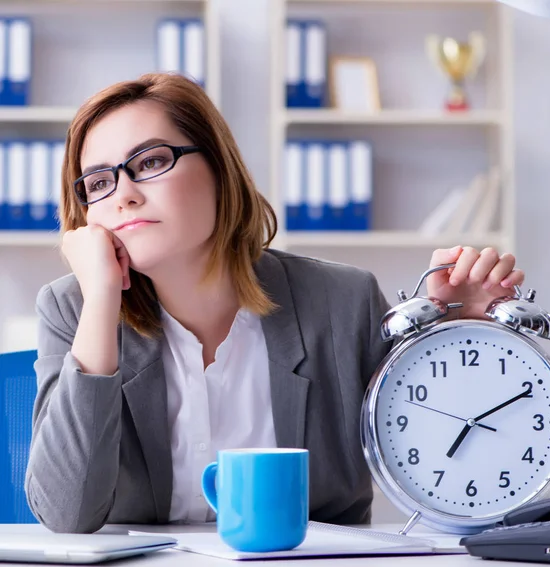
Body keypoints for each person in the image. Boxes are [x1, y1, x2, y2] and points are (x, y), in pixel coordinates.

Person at [25, 72, 524, 534]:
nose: (123, 195)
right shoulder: (75, 309)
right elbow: (67, 514)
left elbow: (452, 482)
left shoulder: (342, 302)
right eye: (98, 183)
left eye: (151, 161)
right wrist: (101, 300)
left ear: (220, 168)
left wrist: (459, 344)